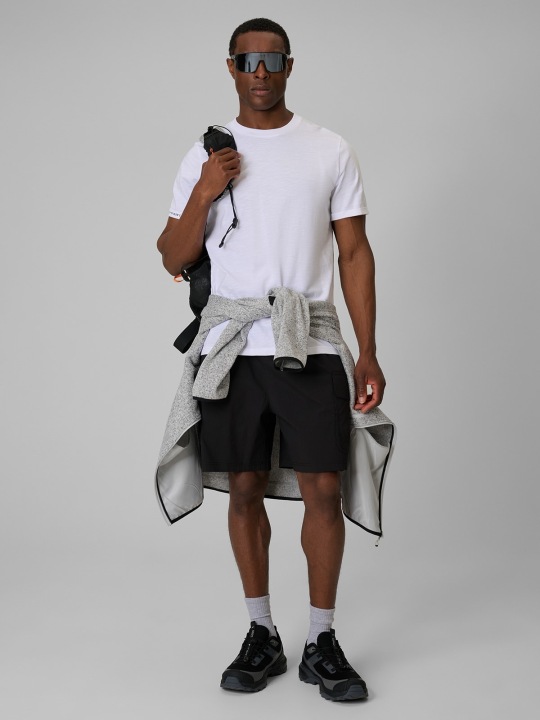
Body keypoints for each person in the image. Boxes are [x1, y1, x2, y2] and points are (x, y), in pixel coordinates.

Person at [156, 18, 390, 702]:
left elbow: (354, 253)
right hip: (234, 348)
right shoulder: (205, 156)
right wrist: (206, 189)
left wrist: (368, 351)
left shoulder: (329, 149)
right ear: (231, 67)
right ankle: (261, 632)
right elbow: (173, 257)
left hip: (309, 340)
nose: (260, 71)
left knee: (324, 489)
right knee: (245, 486)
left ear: (290, 66)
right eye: (248, 60)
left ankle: (322, 640)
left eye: (273, 59)